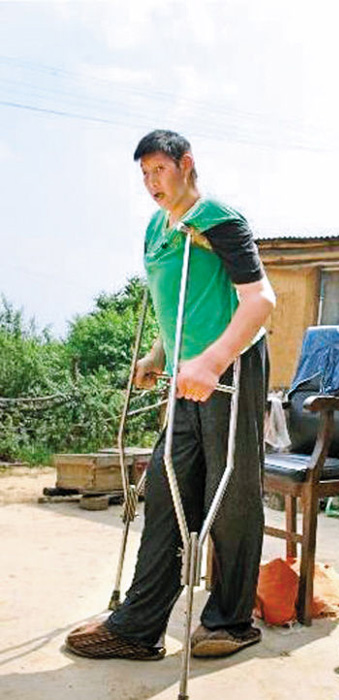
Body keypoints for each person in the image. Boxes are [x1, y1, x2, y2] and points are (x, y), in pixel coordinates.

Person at [65, 129, 276, 660]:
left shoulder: (219, 218)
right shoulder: (158, 229)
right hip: (186, 374)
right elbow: (176, 303)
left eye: (158, 170)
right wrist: (159, 356)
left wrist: (212, 359)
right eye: (143, 175)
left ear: (186, 164)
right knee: (166, 488)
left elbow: (259, 301)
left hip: (232, 364)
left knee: (229, 492)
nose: (151, 183)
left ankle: (230, 619)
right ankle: (138, 627)